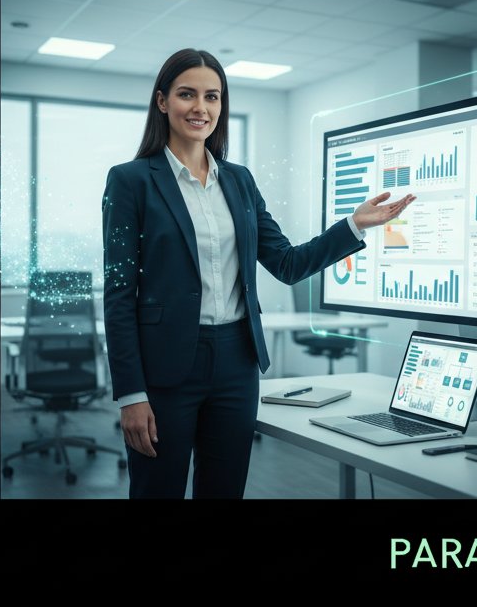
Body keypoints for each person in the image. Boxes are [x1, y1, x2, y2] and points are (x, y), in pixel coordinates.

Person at [102, 48, 415, 499]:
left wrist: (353, 226)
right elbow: (118, 294)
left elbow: (286, 263)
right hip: (165, 367)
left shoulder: (239, 180)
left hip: (236, 361)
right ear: (162, 101)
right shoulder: (131, 180)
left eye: (212, 97)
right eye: (187, 94)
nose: (201, 107)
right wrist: (130, 394)